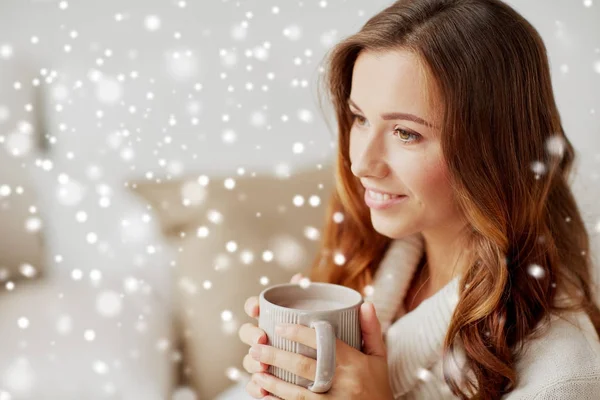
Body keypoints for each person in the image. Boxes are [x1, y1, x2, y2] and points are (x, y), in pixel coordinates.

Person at [229, 0, 600, 398]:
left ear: (492, 151)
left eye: (406, 133)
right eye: (360, 118)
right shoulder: (372, 265)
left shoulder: (563, 377)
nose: (361, 165)